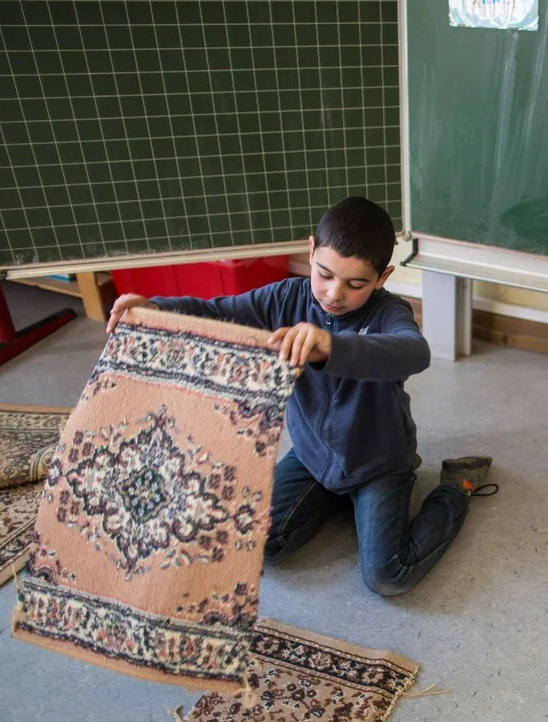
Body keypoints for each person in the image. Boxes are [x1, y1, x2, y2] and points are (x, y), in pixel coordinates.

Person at [106, 196, 496, 596]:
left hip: (379, 464)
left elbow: (415, 352)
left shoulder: (387, 314)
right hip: (312, 458)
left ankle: (456, 488)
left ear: (382, 277)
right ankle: (335, 499)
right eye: (324, 273)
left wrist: (332, 346)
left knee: (386, 576)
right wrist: (156, 308)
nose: (334, 293)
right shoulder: (284, 299)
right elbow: (219, 312)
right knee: (259, 545)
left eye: (355, 283)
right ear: (310, 251)